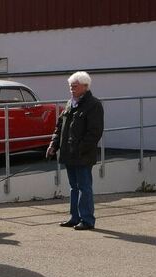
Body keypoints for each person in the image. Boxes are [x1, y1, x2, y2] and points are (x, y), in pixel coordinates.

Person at [47, 71, 104, 230]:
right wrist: (53, 144)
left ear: (85, 87)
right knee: (74, 187)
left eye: (75, 86)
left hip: (82, 155)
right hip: (68, 154)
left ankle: (87, 220)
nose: (71, 88)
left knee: (84, 187)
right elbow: (60, 127)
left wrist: (80, 149)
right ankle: (74, 217)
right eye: (70, 86)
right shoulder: (69, 104)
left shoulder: (94, 105)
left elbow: (95, 132)